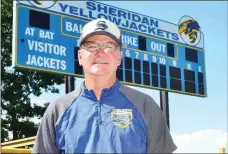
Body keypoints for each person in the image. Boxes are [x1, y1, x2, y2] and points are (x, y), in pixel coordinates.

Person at [32, 18, 177, 153]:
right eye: (92, 46)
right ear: (80, 56)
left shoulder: (145, 105)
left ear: (119, 57)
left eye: (109, 46)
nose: (100, 52)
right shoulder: (58, 109)